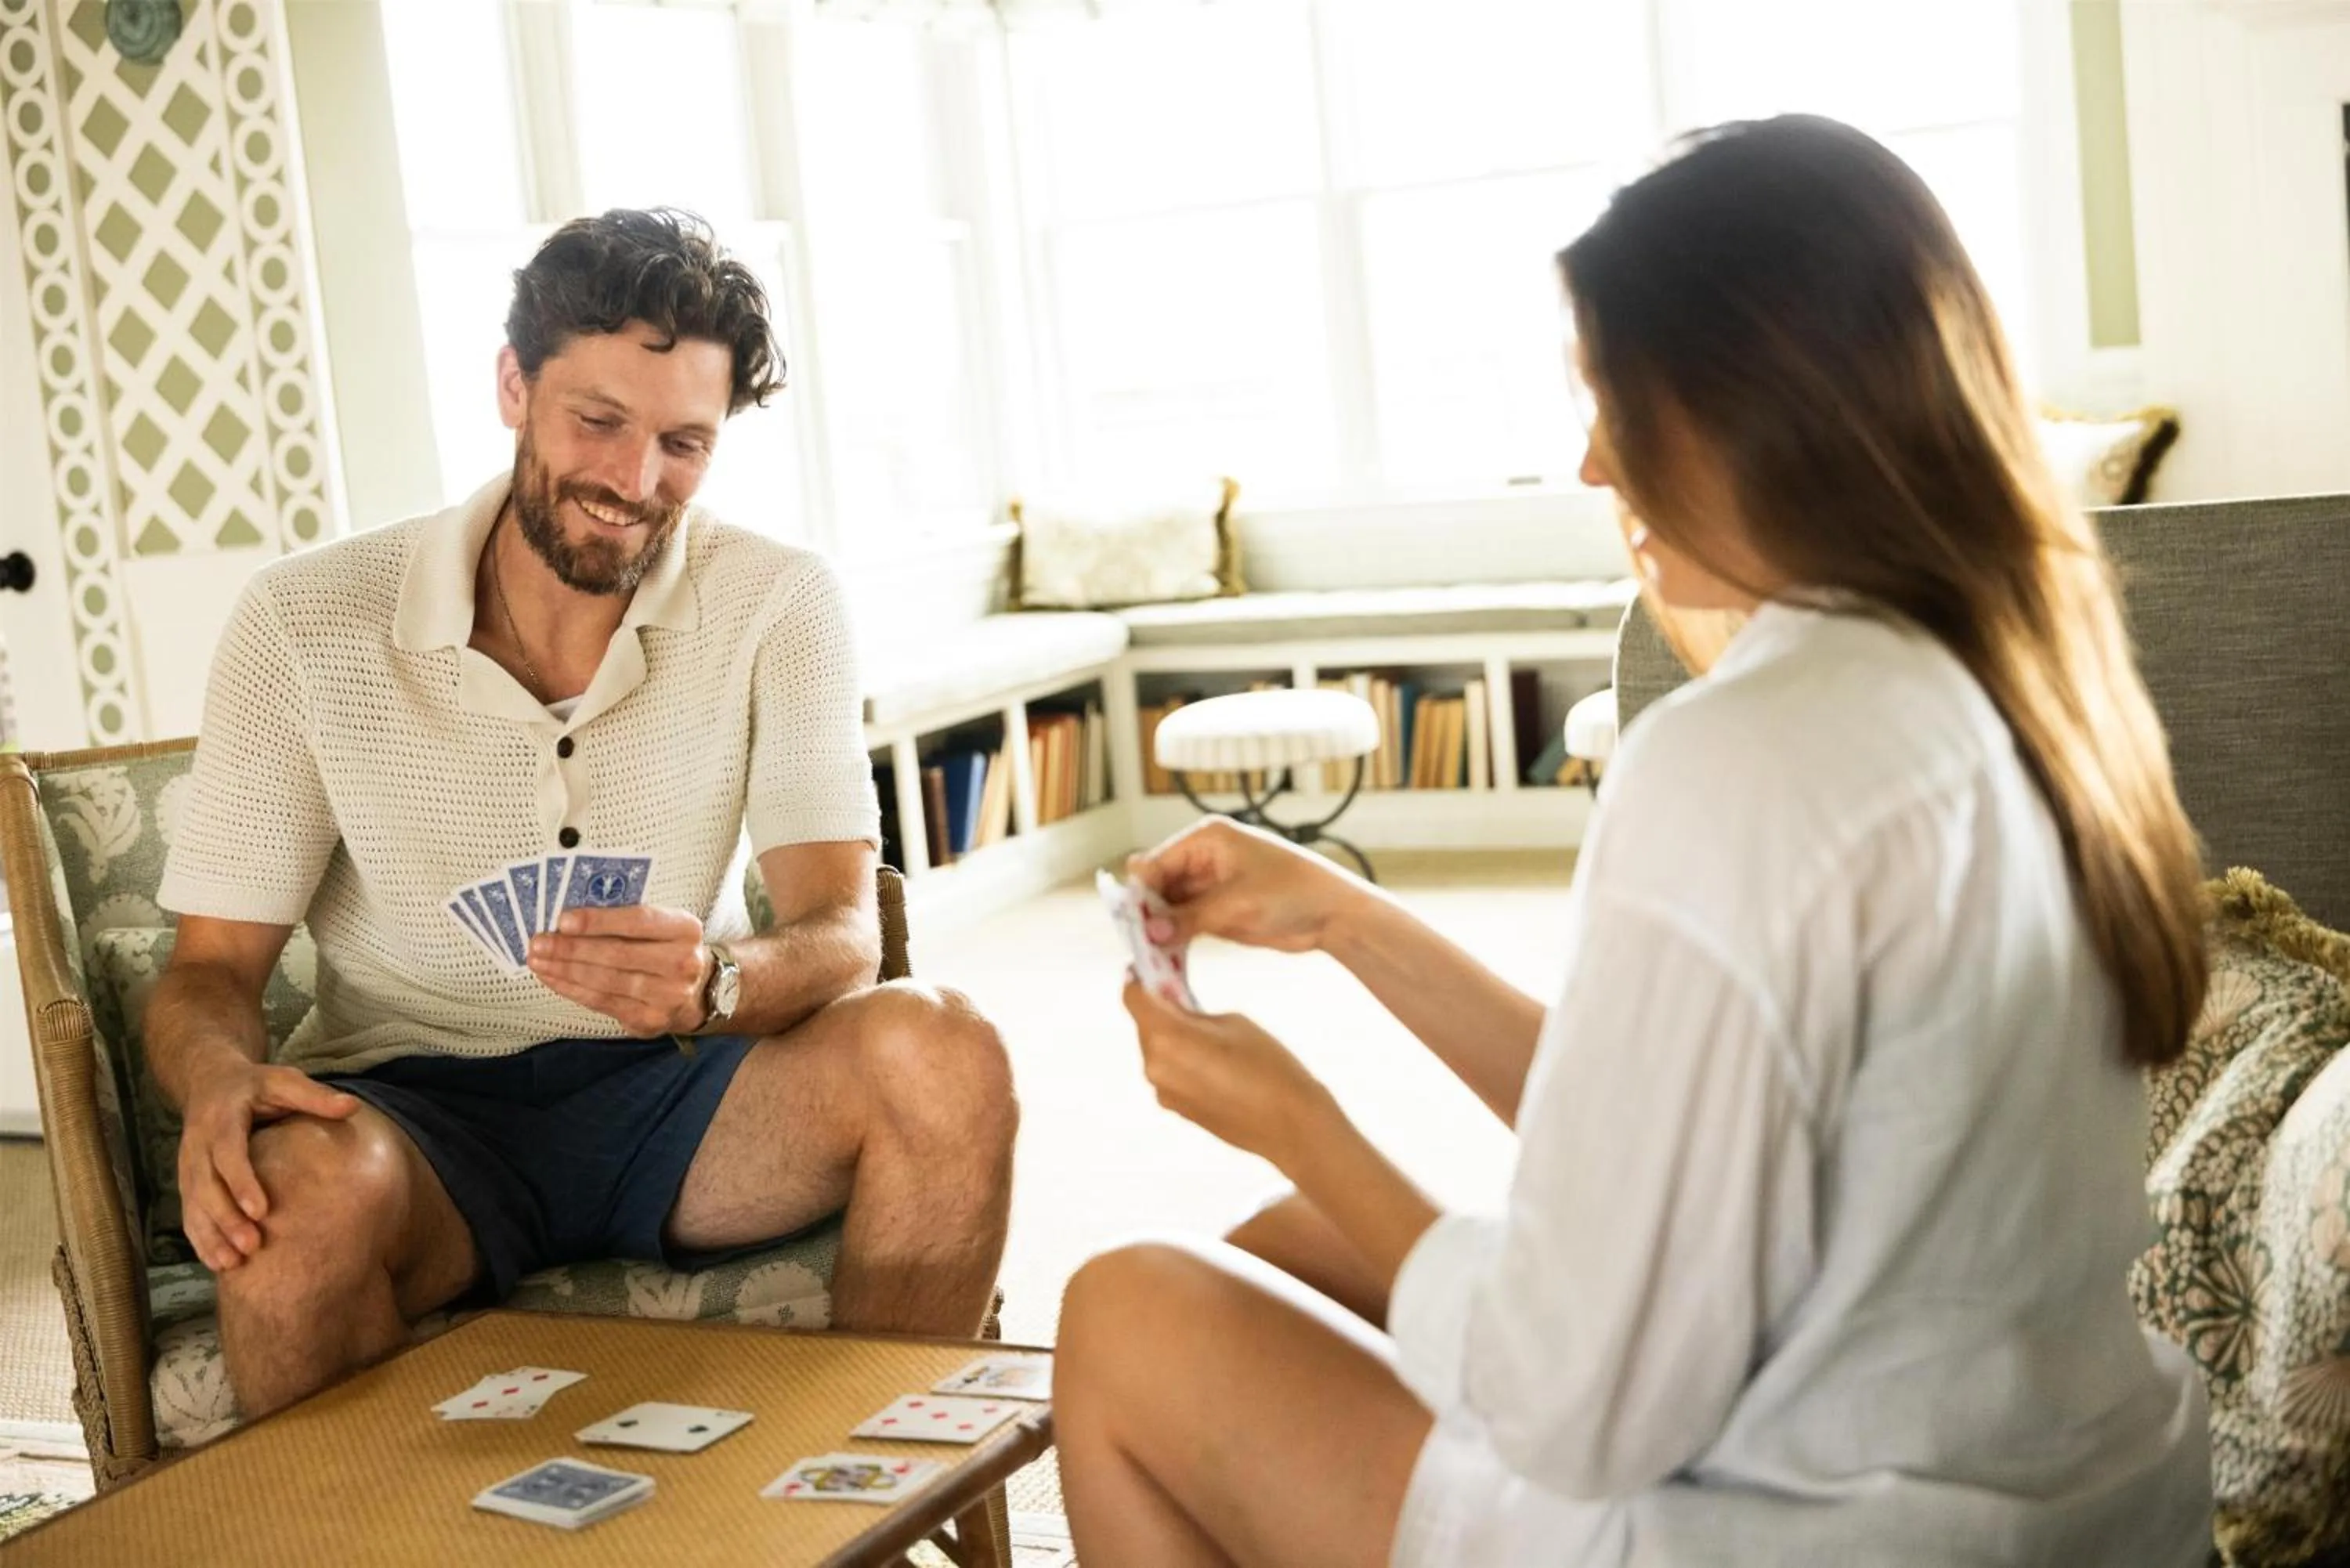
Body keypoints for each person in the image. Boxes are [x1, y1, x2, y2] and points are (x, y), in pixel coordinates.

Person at [1053, 117, 2214, 1566]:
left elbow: (1582, 1410)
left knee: (1125, 1311)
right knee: (1293, 1240)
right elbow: (1679, 1105)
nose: (1597, 464)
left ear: (1756, 412)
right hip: (2073, 1497)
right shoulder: (2021, 688)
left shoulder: (1740, 757)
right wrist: (1350, 923)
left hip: (1823, 1535)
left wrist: (1293, 1108)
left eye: (1615, 403)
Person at [150, 209, 1018, 1420]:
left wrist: (718, 982)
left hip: (687, 1089)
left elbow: (841, 930)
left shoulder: (779, 601)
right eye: (598, 421)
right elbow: (209, 972)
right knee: (298, 1200)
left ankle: (858, 1515)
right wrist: (216, 1081)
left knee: (947, 1048)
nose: (634, 481)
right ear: (514, 385)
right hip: (412, 1115)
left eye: (684, 443)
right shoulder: (305, 621)